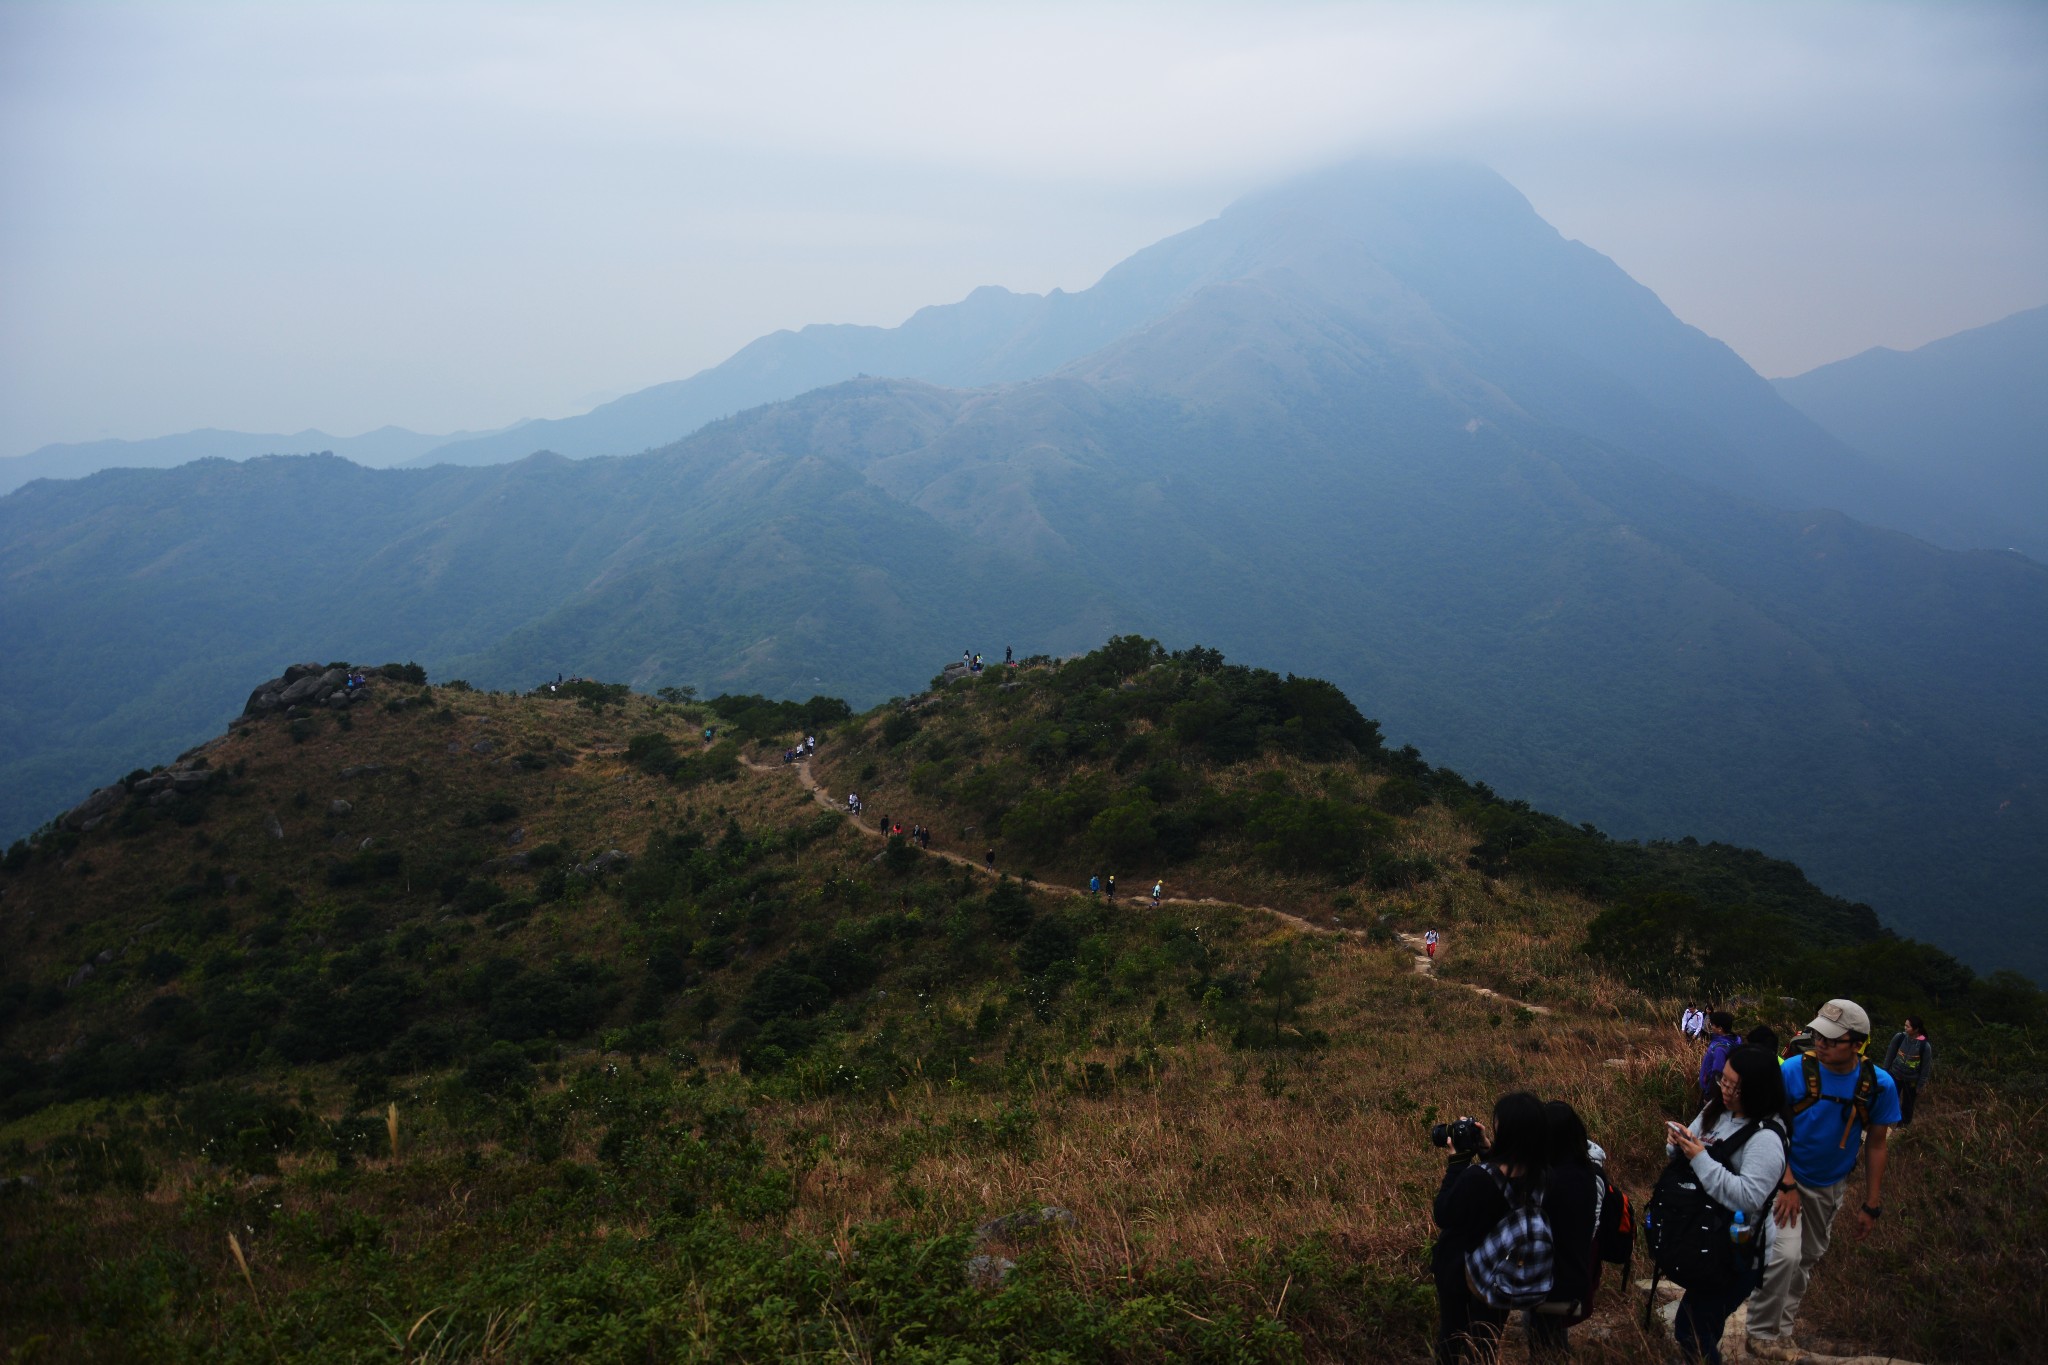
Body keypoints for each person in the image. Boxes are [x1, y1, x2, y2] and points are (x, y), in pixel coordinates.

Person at [1745, 999, 1901, 1360]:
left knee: (1806, 1259)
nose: (1821, 1044)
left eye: (1832, 1040)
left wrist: (1871, 1204)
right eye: (1818, 1035)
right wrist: (1785, 1183)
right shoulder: (1794, 1071)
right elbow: (1769, 1126)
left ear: (1858, 1043)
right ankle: (1759, 1331)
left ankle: (1782, 1332)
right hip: (1784, 1176)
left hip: (1829, 1185)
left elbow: (1877, 1144)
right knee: (1784, 1255)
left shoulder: (1879, 1085)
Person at [1667, 1047, 1789, 1365]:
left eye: (1735, 1086)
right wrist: (1677, 1144)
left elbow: (1747, 1198)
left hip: (1738, 1253)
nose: (1725, 1089)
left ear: (1758, 1092)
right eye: (1724, 1079)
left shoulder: (1766, 1139)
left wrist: (1699, 1157)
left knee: (1691, 1329)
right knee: (1703, 1324)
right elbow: (1692, 1151)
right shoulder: (1717, 1108)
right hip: (1707, 1237)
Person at [1433, 1092, 1549, 1365]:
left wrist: (1457, 1163)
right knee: (1487, 1338)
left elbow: (1444, 1213)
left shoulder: (1477, 1178)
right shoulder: (1541, 1174)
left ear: (1504, 1130)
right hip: (1504, 1272)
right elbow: (1508, 1178)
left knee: (1452, 1336)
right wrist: (1488, 1149)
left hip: (1462, 1272)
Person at [1526, 1101, 1601, 1359]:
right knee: (1553, 1338)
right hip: (1574, 1277)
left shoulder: (1556, 1182)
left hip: (1554, 1284)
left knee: (1542, 1342)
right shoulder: (1584, 1170)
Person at [1881, 1017, 1934, 1126]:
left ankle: (1902, 1129)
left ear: (1916, 1029)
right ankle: (1883, 1124)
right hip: (1895, 1075)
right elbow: (1890, 1055)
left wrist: (1920, 1085)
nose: (1905, 1028)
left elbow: (1925, 1068)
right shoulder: (1900, 1037)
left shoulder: (1925, 1046)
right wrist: (1885, 1072)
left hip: (1911, 1081)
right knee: (1888, 1100)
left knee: (1907, 1106)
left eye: (1907, 1026)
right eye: (1905, 1025)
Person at [1699, 1011, 1741, 1095]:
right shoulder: (1735, 1040)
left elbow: (1717, 1074)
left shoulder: (1720, 1049)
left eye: (1712, 1025)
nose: (1711, 1027)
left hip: (1710, 1089)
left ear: (1720, 1028)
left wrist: (1709, 1095)